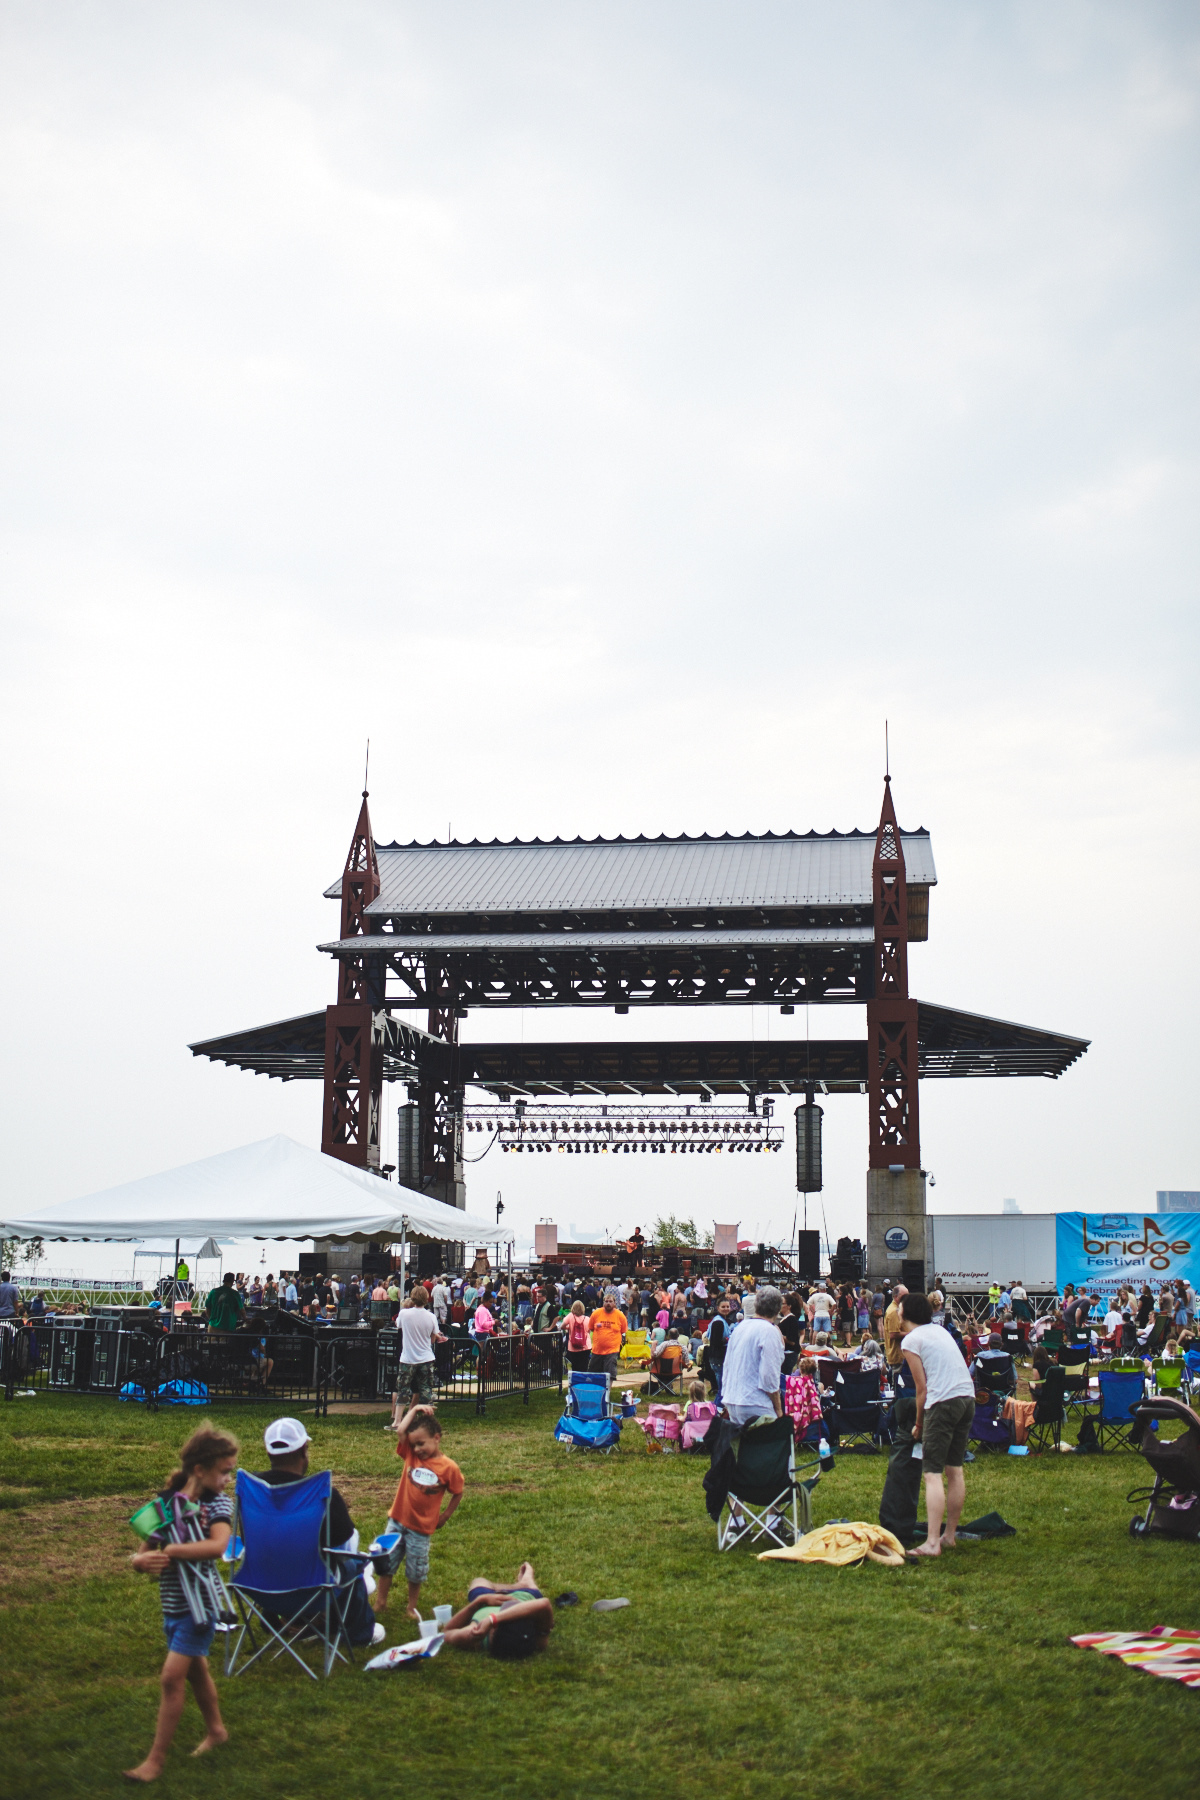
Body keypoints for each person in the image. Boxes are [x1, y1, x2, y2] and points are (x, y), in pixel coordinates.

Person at [123, 1424, 239, 1783]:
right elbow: (143, 1550)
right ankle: (217, 1731)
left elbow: (219, 1546)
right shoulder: (167, 1501)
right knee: (196, 1671)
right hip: (173, 1604)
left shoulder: (218, 1504)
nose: (228, 1479)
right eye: (224, 1472)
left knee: (172, 1679)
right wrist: (138, 1561)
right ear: (199, 1470)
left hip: (199, 1606)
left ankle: (155, 1762)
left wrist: (173, 1550)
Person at [253, 1417, 382, 1647]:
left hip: (261, 1586)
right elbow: (347, 1547)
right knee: (353, 1565)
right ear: (304, 1451)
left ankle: (291, 1621)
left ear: (268, 1453)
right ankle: (359, 1633)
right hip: (312, 1590)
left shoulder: (253, 1488)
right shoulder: (321, 1494)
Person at [898, 1291, 976, 1560]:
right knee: (954, 1469)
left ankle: (932, 1543)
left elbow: (922, 1389)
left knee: (932, 1473)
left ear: (906, 1314)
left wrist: (918, 1424)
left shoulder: (911, 1340)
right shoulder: (939, 1331)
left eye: (899, 1308)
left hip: (942, 1402)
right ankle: (949, 1536)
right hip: (967, 1397)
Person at [375, 1406, 464, 1620]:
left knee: (416, 1570)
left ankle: (411, 1607)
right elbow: (400, 1431)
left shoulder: (448, 1467)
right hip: (396, 1521)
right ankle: (381, 1601)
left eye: (421, 1444)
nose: (416, 1449)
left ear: (437, 1438)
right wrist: (413, 1409)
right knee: (386, 1562)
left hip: (421, 1529)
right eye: (413, 1445)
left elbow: (458, 1492)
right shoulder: (411, 1457)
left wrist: (444, 1516)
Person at [441, 1561, 555, 1656]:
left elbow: (446, 1633)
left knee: (479, 1581)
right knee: (533, 1591)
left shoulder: (475, 1635)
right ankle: (526, 1583)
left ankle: (520, 1584)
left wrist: (481, 1601)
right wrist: (492, 1620)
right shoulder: (538, 1641)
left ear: (493, 1631)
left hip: (487, 1599)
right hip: (525, 1595)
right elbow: (544, 1604)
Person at [720, 1285, 785, 1425]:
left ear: (756, 1305)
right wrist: (779, 1410)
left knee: (745, 1446)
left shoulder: (739, 1328)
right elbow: (769, 1375)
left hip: (733, 1399)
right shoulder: (769, 1331)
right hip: (756, 1402)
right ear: (778, 1309)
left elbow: (727, 1365)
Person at [390, 1286, 445, 1428]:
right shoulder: (431, 1316)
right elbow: (433, 1339)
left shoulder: (404, 1314)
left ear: (413, 1297)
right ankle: (428, 1423)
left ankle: (397, 1421)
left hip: (407, 1357)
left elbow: (399, 1327)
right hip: (426, 1357)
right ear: (427, 1298)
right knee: (426, 1390)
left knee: (402, 1389)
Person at [588, 1289, 628, 1375]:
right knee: (592, 1374)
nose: (608, 1303)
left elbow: (623, 1330)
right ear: (603, 1303)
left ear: (614, 1303)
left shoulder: (620, 1315)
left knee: (610, 1374)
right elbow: (591, 1328)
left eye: (610, 1301)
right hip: (597, 1350)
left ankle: (607, 1388)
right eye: (606, 1301)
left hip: (612, 1350)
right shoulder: (596, 1313)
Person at [882, 1285, 908, 1371]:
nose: (906, 1298)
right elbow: (893, 1334)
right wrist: (912, 1333)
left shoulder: (899, 1308)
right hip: (897, 1357)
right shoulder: (894, 1311)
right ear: (895, 1297)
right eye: (903, 1296)